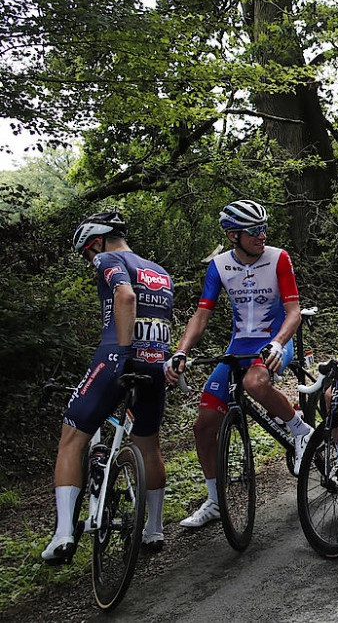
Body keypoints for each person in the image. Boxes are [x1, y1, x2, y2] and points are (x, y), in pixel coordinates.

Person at [166, 200, 311, 528]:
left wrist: (278, 343)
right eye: (254, 231)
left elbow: (293, 312)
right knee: (203, 425)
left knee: (254, 383)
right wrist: (181, 351)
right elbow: (202, 315)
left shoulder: (278, 258)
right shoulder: (218, 266)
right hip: (238, 348)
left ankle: (299, 430)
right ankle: (216, 502)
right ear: (233, 236)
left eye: (264, 229)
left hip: (274, 342)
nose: (262, 236)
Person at [44, 213, 175, 562]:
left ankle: (62, 536)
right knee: (148, 446)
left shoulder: (108, 259)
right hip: (156, 364)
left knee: (72, 437)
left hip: (118, 357)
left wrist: (121, 350)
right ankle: (154, 530)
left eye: (88, 254)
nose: (91, 262)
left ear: (96, 243)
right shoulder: (160, 271)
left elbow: (126, 296)